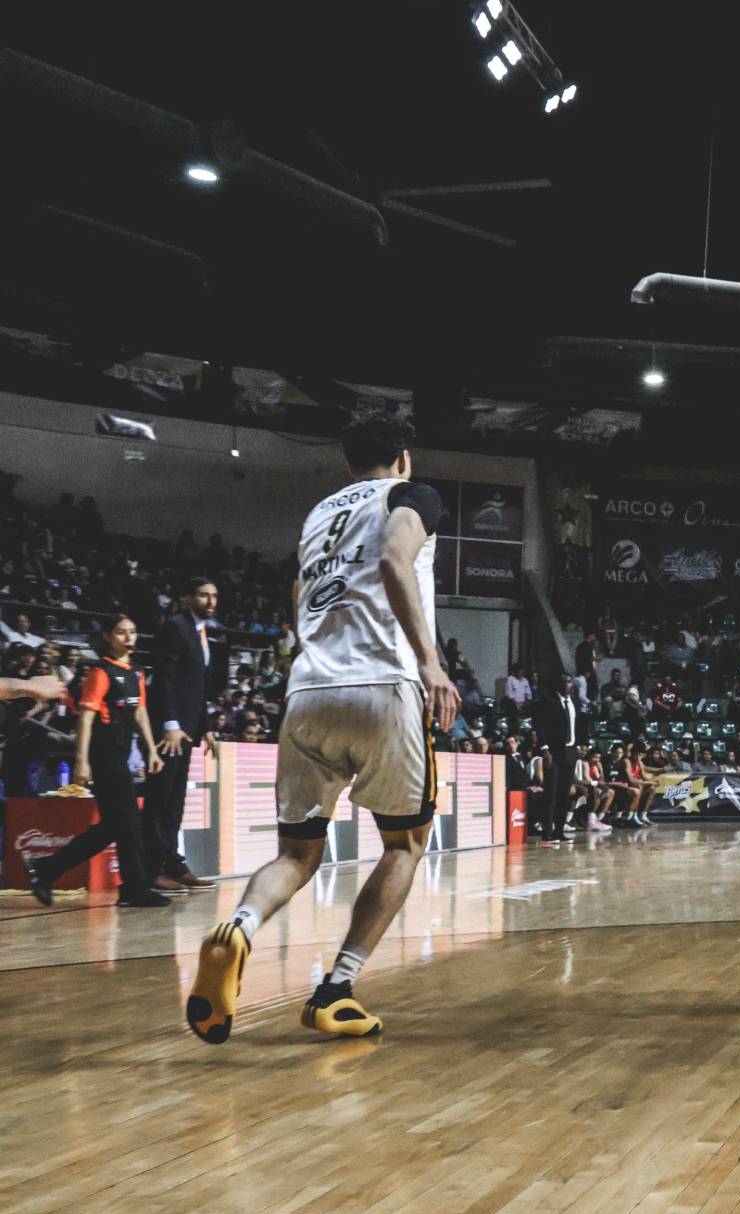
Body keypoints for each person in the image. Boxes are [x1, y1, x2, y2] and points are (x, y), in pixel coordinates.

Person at [184, 426, 459, 1044]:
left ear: (346, 458)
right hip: (384, 684)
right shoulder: (411, 494)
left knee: (295, 855)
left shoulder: (318, 514)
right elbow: (394, 558)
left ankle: (242, 927)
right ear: (405, 458)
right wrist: (432, 664)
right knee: (405, 845)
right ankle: (337, 988)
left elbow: (297, 593)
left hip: (308, 690)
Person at [25, 616, 169, 907]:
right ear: (107, 636)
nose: (129, 637)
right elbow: (86, 718)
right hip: (103, 757)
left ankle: (46, 869)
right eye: (121, 632)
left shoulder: (137, 673)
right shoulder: (100, 672)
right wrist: (81, 761)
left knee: (116, 826)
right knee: (127, 822)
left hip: (121, 754)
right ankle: (135, 890)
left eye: (133, 631)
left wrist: (152, 750)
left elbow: (140, 713)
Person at [142, 575, 222, 894]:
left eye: (214, 596)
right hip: (169, 732)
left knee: (175, 801)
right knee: (160, 799)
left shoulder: (202, 633)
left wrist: (207, 729)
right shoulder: (175, 626)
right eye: (204, 595)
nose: (211, 601)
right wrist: (170, 723)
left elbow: (197, 688)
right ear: (189, 599)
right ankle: (150, 871)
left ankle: (173, 865)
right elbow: (165, 679)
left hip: (189, 729)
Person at [533, 674, 583, 840]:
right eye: (565, 682)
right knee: (551, 794)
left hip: (570, 751)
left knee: (564, 794)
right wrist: (545, 749)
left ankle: (559, 830)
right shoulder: (548, 701)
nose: (568, 685)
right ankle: (547, 832)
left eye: (569, 682)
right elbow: (541, 727)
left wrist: (582, 745)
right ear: (558, 684)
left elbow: (579, 724)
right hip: (554, 752)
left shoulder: (575, 702)